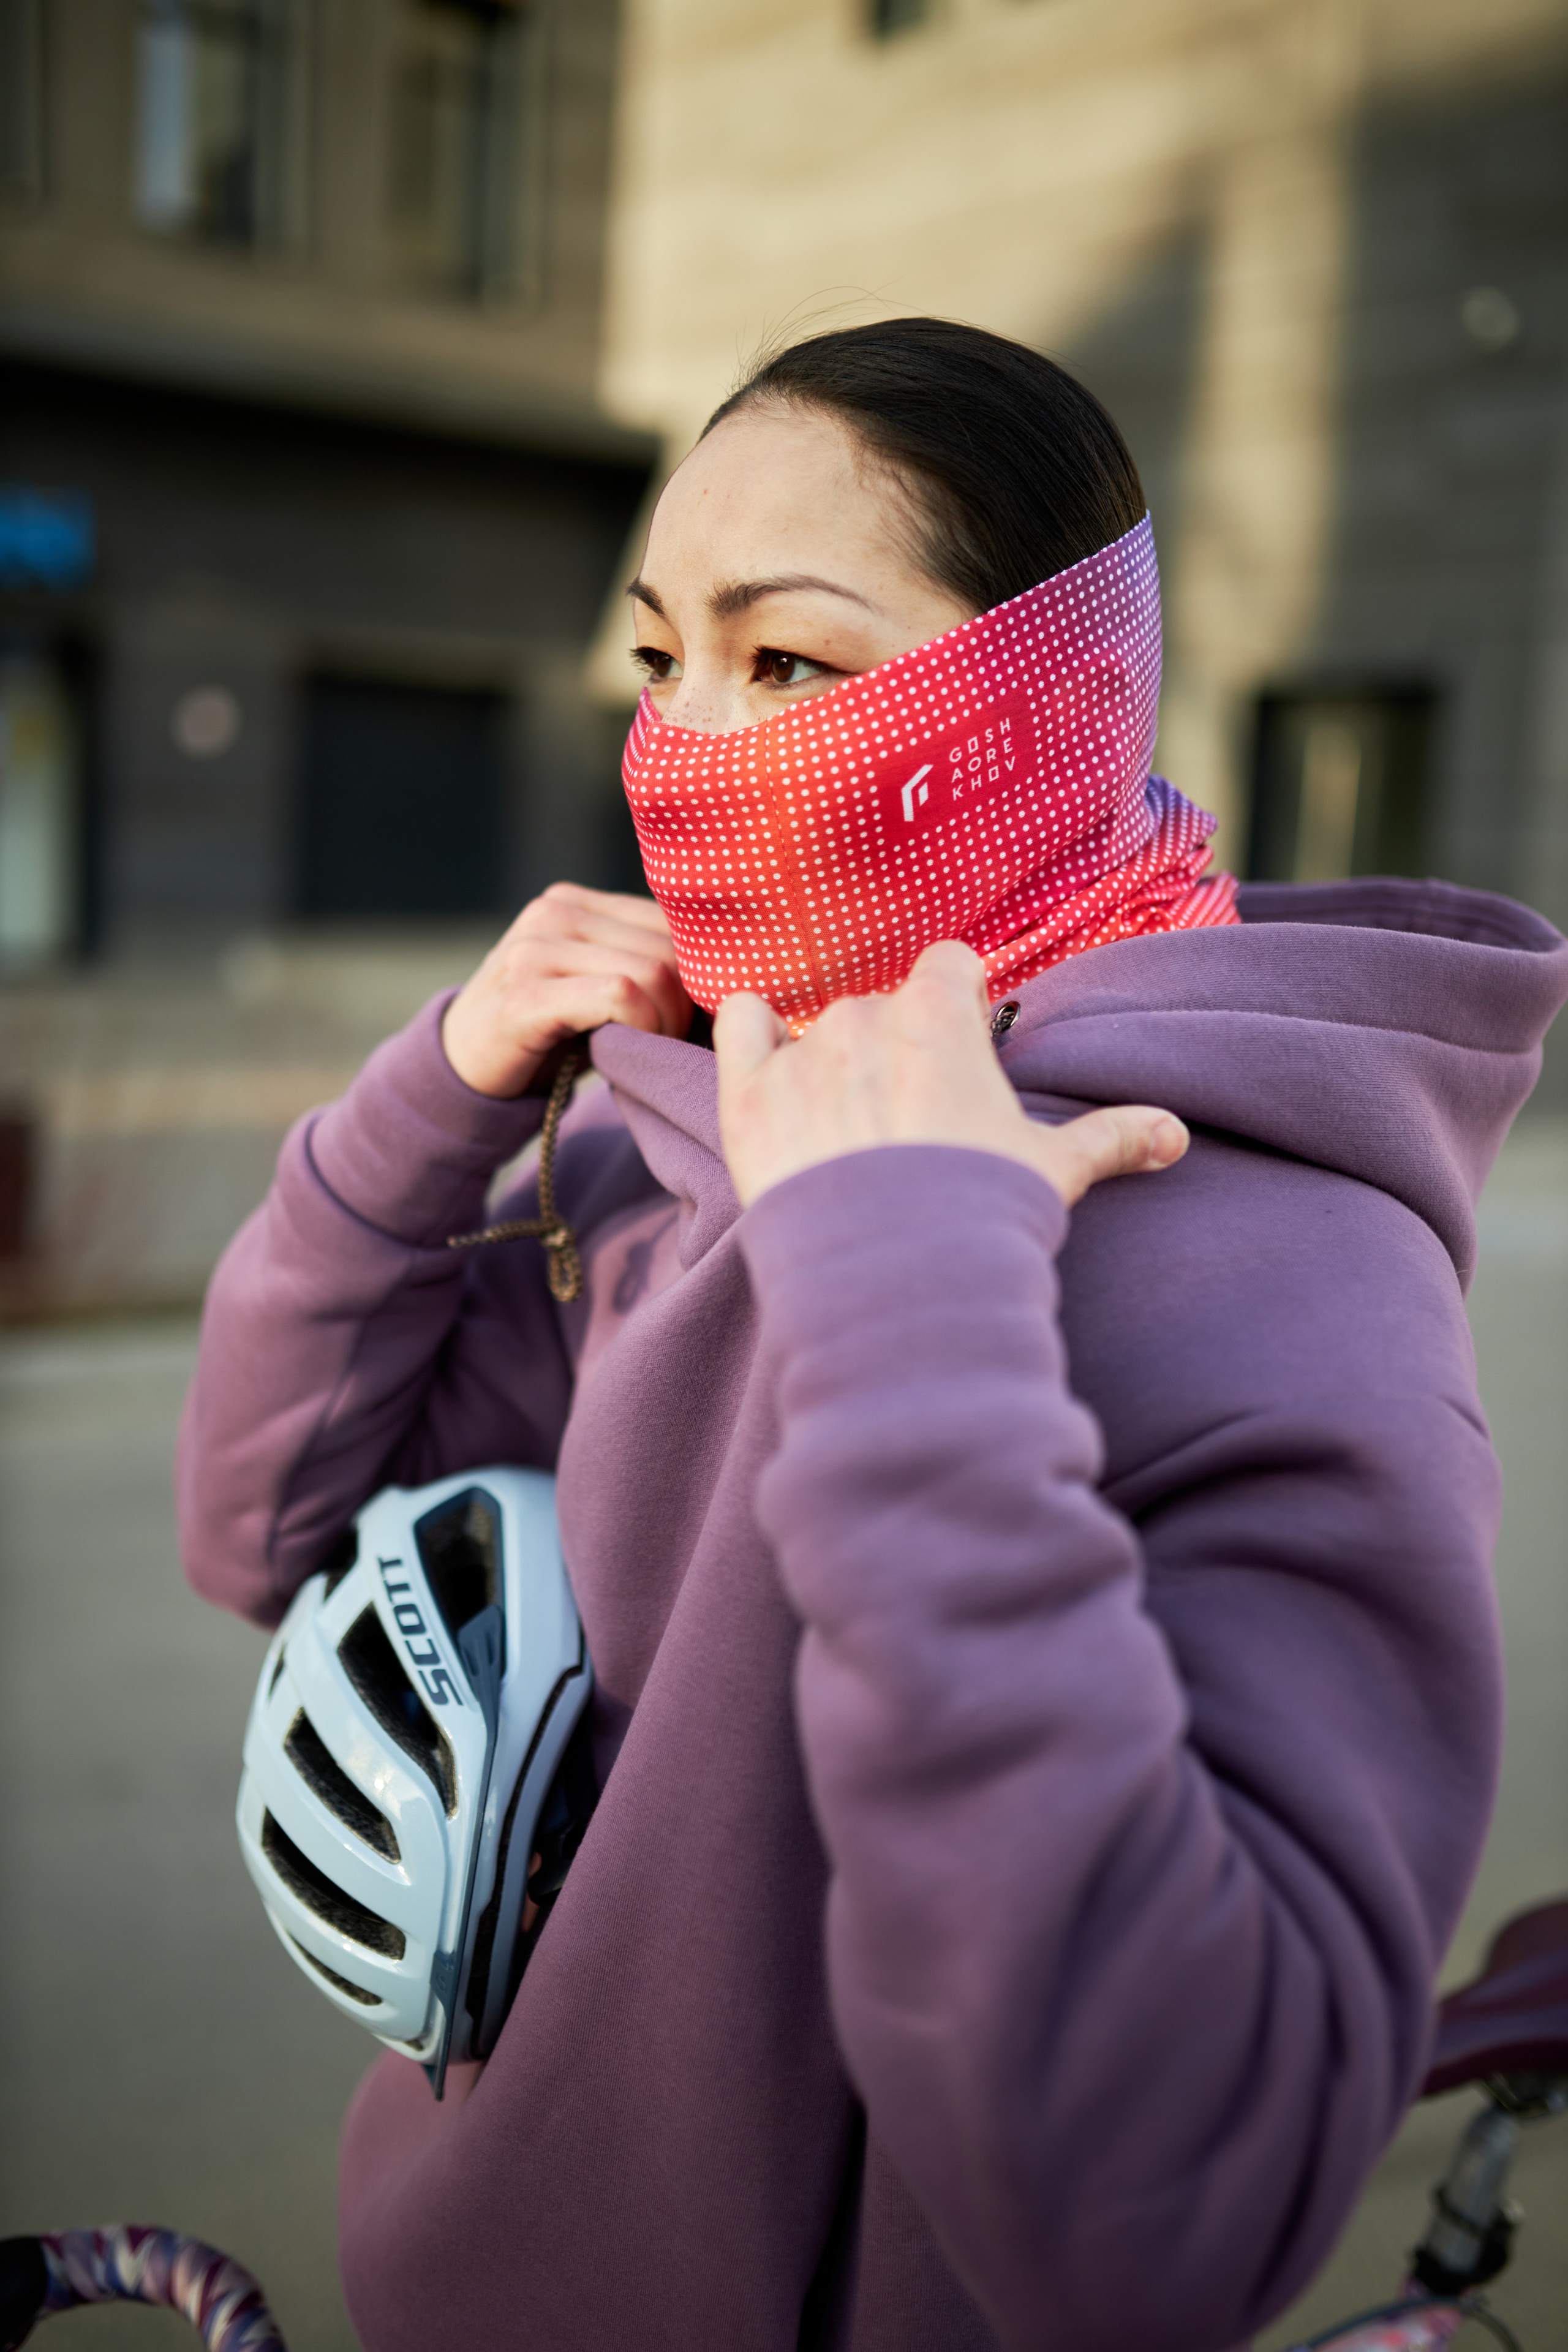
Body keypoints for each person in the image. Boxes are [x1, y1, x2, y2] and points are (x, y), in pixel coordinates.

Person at [178, 319, 1568, 2352]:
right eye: (662, 658)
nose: (689, 742)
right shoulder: (692, 1118)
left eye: (793, 662)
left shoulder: (1287, 1274)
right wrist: (432, 1102)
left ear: (1043, 702)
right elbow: (254, 1519)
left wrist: (913, 1284)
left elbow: (1174, 2205)